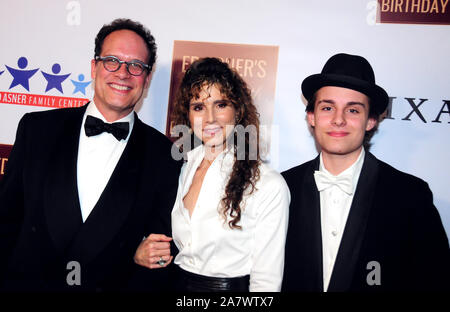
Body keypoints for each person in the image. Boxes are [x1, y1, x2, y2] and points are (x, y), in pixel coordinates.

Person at [0, 18, 180, 292]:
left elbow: (158, 255)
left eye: (136, 65)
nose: (123, 73)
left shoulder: (165, 156)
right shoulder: (37, 130)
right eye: (112, 61)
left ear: (147, 76)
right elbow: (5, 221)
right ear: (94, 67)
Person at [281, 53, 449, 292]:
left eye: (353, 111)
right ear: (312, 117)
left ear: (371, 121)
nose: (338, 120)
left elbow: (435, 281)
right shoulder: (281, 187)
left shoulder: (410, 196)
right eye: (328, 107)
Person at [134, 57, 290, 292]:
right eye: (198, 107)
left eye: (221, 104)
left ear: (237, 112)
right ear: (188, 115)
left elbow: (266, 282)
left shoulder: (267, 184)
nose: (210, 118)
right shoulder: (181, 169)